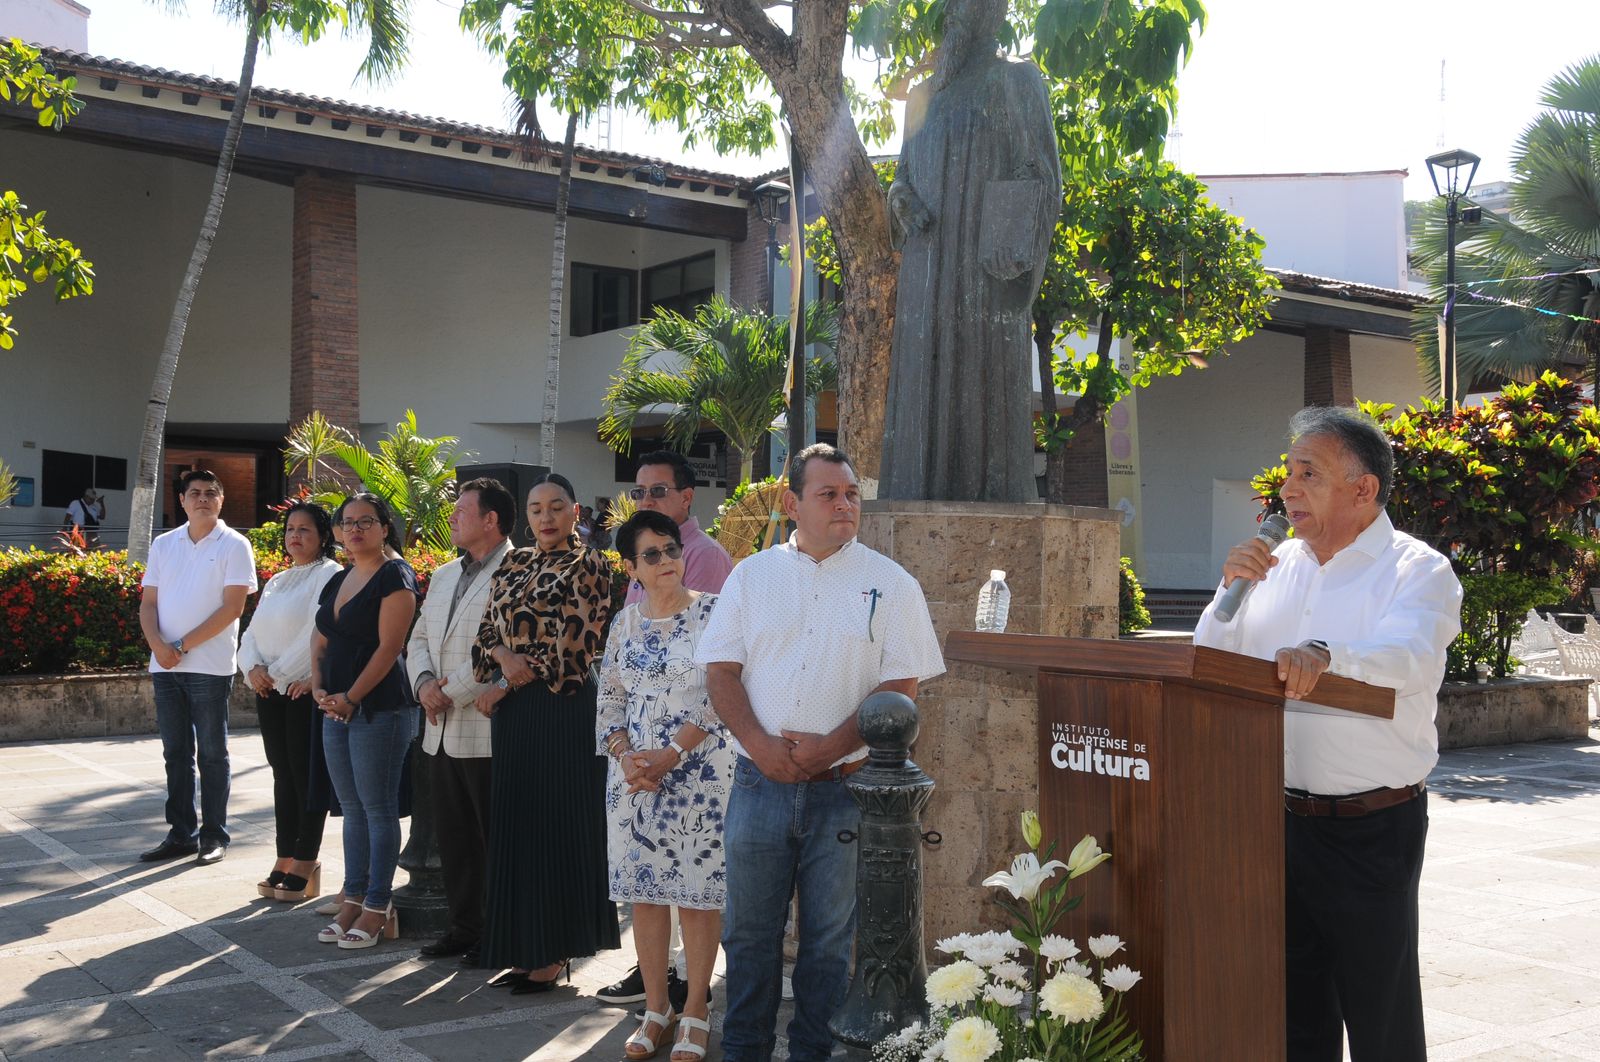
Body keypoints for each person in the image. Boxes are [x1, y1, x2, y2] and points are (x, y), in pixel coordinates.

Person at [1193, 407, 1462, 1062]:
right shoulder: (1272, 566)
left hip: (1372, 828)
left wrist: (1326, 654)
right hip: (1277, 822)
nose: (1287, 488)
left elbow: (1409, 657)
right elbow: (1206, 656)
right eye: (1288, 472)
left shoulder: (1415, 570)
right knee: (1292, 1015)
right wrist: (1229, 590)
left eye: (1307, 473)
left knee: (1382, 1016)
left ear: (1362, 489)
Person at [695, 443, 945, 1062]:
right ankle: (744, 1053)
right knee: (748, 938)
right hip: (759, 785)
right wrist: (760, 745)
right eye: (828, 494)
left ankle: (812, 1054)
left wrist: (826, 750)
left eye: (851, 494)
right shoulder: (751, 577)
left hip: (846, 792)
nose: (844, 505)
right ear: (792, 503)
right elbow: (721, 672)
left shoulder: (891, 584)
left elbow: (900, 690)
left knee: (829, 946)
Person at [879, 0, 1059, 503]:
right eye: (952, 8)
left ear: (993, 15)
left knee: (981, 385)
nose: (956, 15)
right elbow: (901, 178)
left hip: (983, 273)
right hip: (927, 268)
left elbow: (1042, 172)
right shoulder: (923, 97)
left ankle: (988, 494)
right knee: (919, 385)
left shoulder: (1016, 82)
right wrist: (902, 200)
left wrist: (1009, 239)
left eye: (968, 7)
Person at [472, 473, 619, 993]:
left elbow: (572, 649)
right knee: (520, 826)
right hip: (514, 711)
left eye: (557, 507)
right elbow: (487, 629)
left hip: (564, 708)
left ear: (576, 512)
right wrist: (503, 662)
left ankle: (555, 951)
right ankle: (525, 945)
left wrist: (505, 683)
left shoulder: (592, 564)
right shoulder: (513, 561)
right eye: (537, 509)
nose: (546, 517)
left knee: (557, 828)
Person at [601, 447, 734, 1014]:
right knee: (646, 899)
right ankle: (656, 1010)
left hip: (699, 775)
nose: (665, 560)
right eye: (650, 554)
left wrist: (671, 754)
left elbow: (724, 694)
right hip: (635, 782)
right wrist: (627, 755)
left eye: (670, 549)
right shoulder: (623, 623)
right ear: (631, 567)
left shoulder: (714, 613)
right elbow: (609, 696)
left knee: (700, 899)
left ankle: (696, 1011)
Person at [407, 477, 515, 966]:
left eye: (461, 511)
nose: (452, 518)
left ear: (490, 519)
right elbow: (419, 637)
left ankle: (499, 932)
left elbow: (505, 652)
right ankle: (463, 928)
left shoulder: (518, 569)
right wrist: (423, 684)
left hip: (486, 727)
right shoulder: (446, 572)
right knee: (453, 839)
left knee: (495, 841)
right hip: (439, 726)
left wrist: (445, 693)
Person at [310, 493, 420, 951]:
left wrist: (352, 697)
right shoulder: (339, 577)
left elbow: (390, 647)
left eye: (366, 522)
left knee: (377, 808)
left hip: (380, 708)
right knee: (351, 810)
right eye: (348, 522)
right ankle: (351, 897)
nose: (355, 530)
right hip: (334, 706)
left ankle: (379, 904)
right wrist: (319, 689)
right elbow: (318, 641)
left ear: (383, 528)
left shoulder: (396, 575)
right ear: (337, 532)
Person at [138, 469, 257, 866]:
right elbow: (149, 603)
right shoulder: (164, 543)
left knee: (211, 753)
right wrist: (158, 646)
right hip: (165, 667)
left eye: (210, 492)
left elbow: (233, 608)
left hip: (209, 665)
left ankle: (214, 835)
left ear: (221, 501)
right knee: (175, 754)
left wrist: (179, 645)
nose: (202, 498)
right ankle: (180, 834)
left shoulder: (235, 545)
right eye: (194, 493)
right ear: (183, 501)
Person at [237, 501, 340, 901]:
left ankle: (306, 858)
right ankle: (285, 855)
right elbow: (251, 633)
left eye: (305, 530)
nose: (295, 536)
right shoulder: (279, 579)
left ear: (323, 536)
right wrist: (252, 670)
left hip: (301, 689)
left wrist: (280, 674)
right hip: (271, 690)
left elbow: (318, 630)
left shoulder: (328, 574)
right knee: (282, 774)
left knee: (305, 776)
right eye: (290, 529)